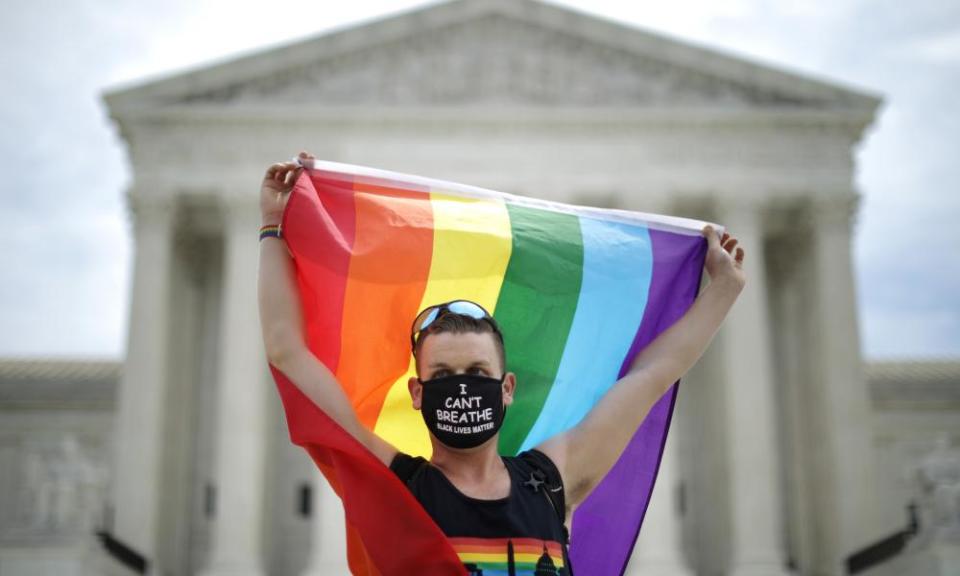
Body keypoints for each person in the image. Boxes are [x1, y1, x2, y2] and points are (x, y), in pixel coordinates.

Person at [258, 152, 746, 575]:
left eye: (477, 374)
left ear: (507, 387)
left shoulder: (551, 480)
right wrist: (274, 228)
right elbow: (287, 352)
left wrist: (724, 291)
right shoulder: (395, 491)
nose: (463, 389)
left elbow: (651, 375)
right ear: (417, 394)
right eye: (444, 377)